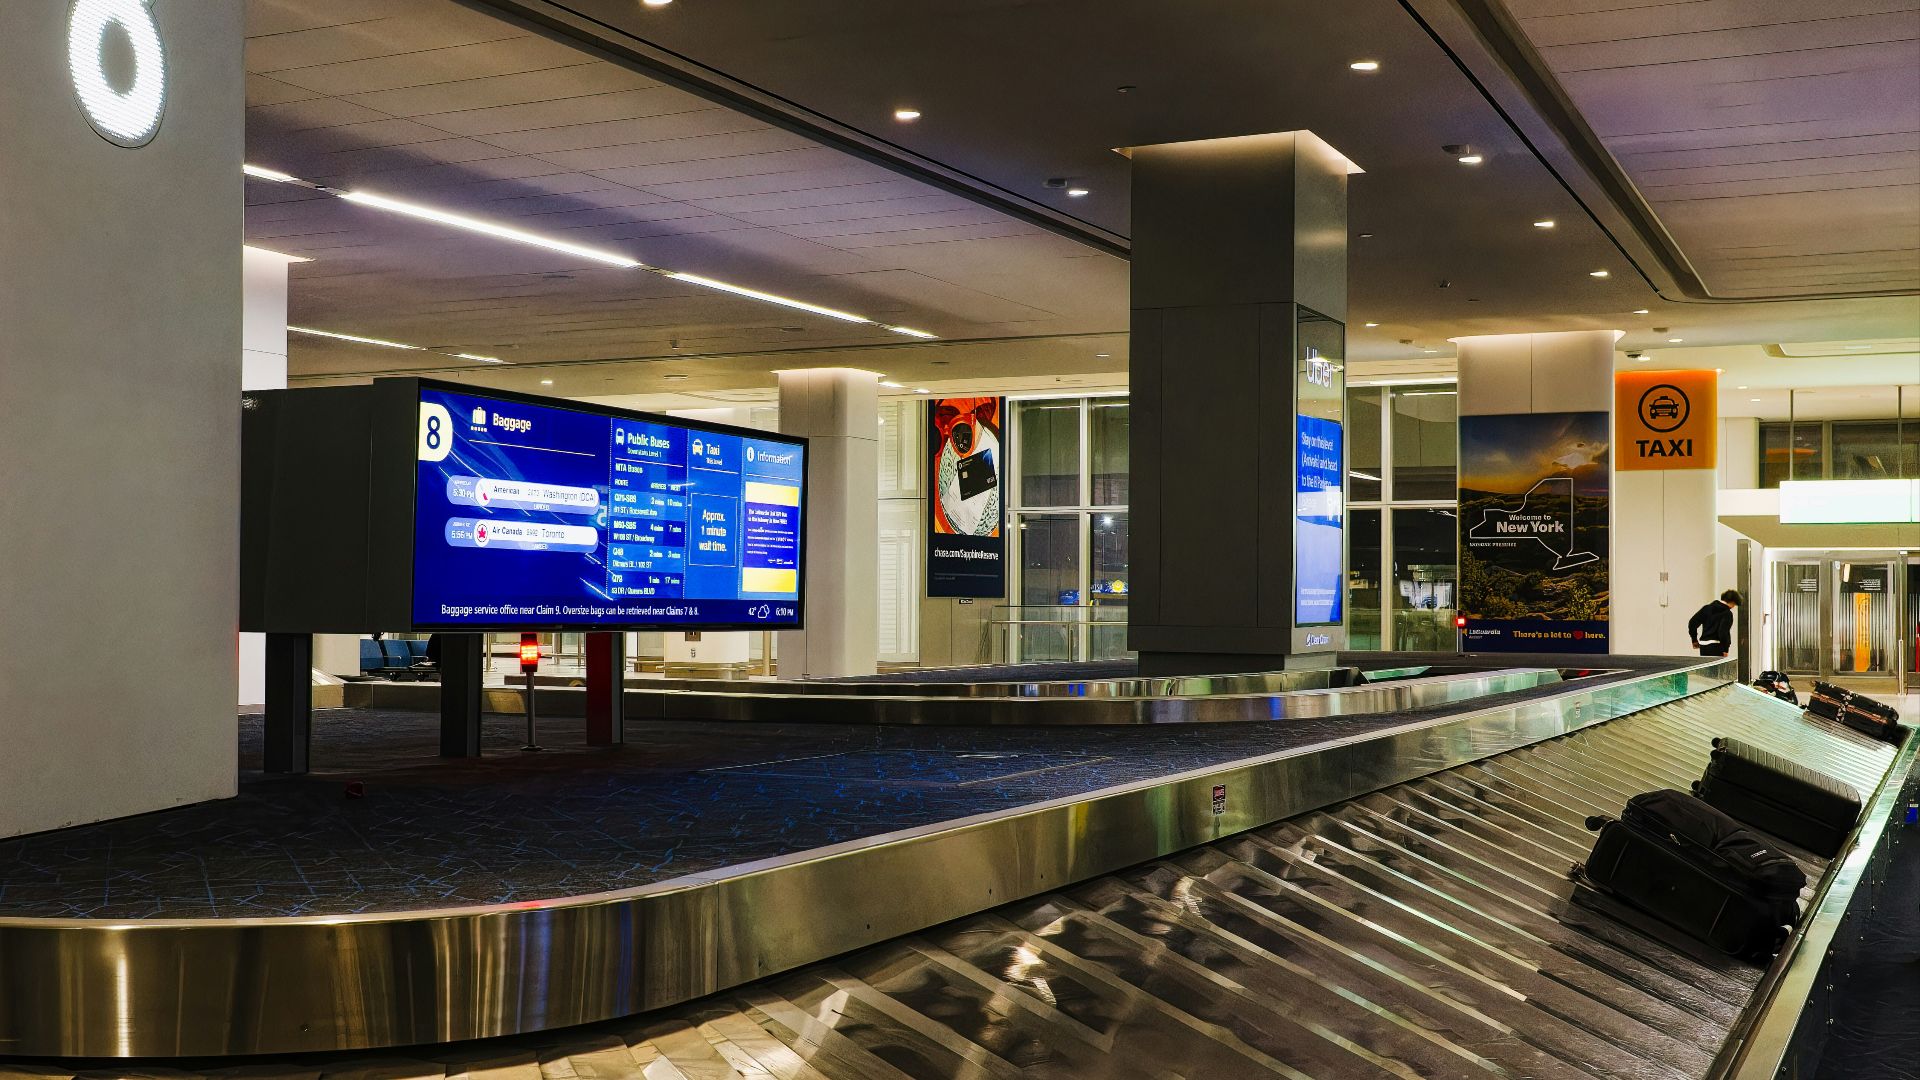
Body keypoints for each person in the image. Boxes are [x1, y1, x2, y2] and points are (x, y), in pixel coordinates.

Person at [1688, 589, 1741, 657]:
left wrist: (1694, 639)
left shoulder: (1706, 608)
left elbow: (1692, 623)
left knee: (1707, 667)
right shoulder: (1727, 613)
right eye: (1734, 604)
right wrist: (1725, 649)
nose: (1733, 607)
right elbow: (1723, 632)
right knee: (1717, 667)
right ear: (1733, 602)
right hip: (1716, 646)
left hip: (1703, 645)